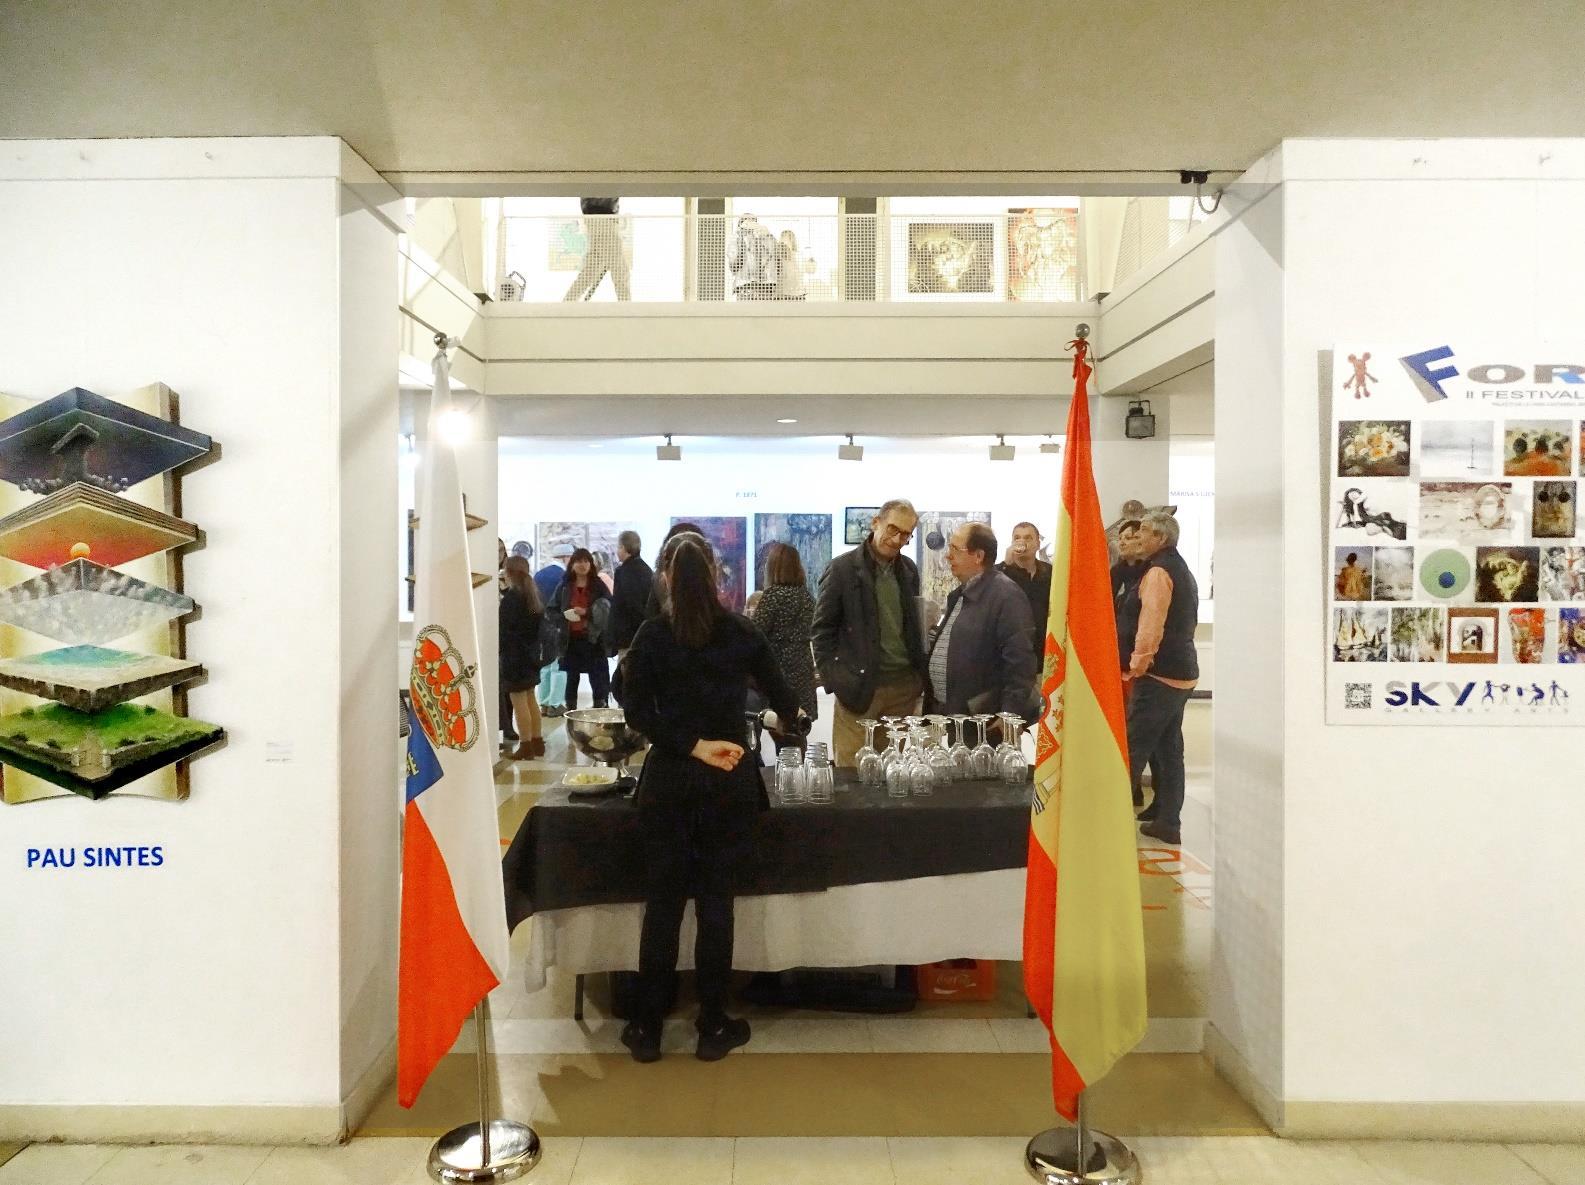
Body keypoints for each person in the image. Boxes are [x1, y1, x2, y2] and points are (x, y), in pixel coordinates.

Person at [616, 533, 803, 1063]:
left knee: (664, 904)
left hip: (669, 780)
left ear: (667, 578)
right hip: (729, 778)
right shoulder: (741, 631)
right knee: (717, 903)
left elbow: (636, 713)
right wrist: (769, 720)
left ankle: (648, 1027)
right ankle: (713, 1024)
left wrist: (689, 743)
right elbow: (786, 699)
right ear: (717, 577)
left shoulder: (653, 634)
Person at [812, 498, 929, 767]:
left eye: (905, 534)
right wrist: (835, 679)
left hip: (902, 689)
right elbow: (821, 630)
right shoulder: (841, 569)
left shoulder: (908, 570)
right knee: (851, 770)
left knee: (892, 770)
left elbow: (912, 624)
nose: (897, 539)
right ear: (876, 523)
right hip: (858, 688)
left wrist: (917, 678)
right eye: (893, 529)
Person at [1118, 510, 1200, 846]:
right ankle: (1167, 819)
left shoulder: (1158, 572)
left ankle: (1110, 824)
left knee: (1132, 750)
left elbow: (1151, 622)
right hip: (1181, 673)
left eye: (1145, 531)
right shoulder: (1180, 568)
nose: (1138, 536)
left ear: (1161, 538)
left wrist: (1138, 664)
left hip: (1159, 675)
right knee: (1169, 749)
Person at [925, 522, 1037, 718]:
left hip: (979, 718)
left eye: (955, 549)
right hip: (947, 714)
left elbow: (1021, 663)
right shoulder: (958, 595)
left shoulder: (1007, 596)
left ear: (978, 556)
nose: (948, 556)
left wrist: (1009, 714)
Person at [753, 543, 819, 725]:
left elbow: (756, 633)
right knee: (798, 725)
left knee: (775, 723)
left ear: (772, 567)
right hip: (803, 668)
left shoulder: (772, 596)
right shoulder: (807, 597)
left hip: (778, 668)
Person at [549, 548, 612, 710]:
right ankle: (571, 712)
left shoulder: (598, 585)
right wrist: (563, 617)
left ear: (591, 564)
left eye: (586, 561)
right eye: (578, 561)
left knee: (598, 679)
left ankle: (599, 711)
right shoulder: (565, 585)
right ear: (572, 564)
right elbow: (551, 609)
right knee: (571, 679)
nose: (582, 565)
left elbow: (608, 609)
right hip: (570, 640)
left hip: (594, 640)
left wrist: (587, 612)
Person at [499, 555, 545, 760]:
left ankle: (525, 745)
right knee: (530, 699)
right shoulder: (533, 595)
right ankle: (537, 741)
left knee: (518, 702)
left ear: (508, 573)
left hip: (514, 657)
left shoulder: (511, 599)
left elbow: (505, 631)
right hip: (531, 655)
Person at [563, 197, 631, 301]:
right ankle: (626, 306)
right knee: (620, 269)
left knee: (591, 269)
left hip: (595, 218)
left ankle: (567, 303)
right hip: (604, 217)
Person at [998, 521, 1053, 642]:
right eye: (1017, 538)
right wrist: (1006, 565)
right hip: (1010, 646)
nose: (1021, 542)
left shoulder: (1050, 572)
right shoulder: (999, 572)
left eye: (1028, 538)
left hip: (1043, 645)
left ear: (1038, 544)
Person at [535, 545, 572, 717]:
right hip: (558, 625)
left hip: (541, 625)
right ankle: (555, 704)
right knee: (559, 666)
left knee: (545, 665)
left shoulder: (539, 575)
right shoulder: (564, 577)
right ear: (565, 557)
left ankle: (543, 703)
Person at [609, 530, 654, 660]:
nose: (617, 551)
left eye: (618, 547)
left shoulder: (623, 572)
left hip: (627, 635)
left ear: (623, 547)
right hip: (645, 633)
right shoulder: (647, 570)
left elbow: (623, 605)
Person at [728, 213, 779, 300]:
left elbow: (775, 256)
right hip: (745, 286)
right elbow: (734, 266)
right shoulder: (736, 238)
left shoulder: (765, 237)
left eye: (753, 221)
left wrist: (767, 236)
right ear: (741, 224)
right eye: (747, 221)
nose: (750, 223)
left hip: (765, 287)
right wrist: (741, 238)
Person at [772, 229, 805, 300]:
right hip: (794, 284)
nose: (781, 239)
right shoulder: (796, 252)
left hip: (788, 283)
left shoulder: (785, 249)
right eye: (782, 237)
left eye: (783, 237)